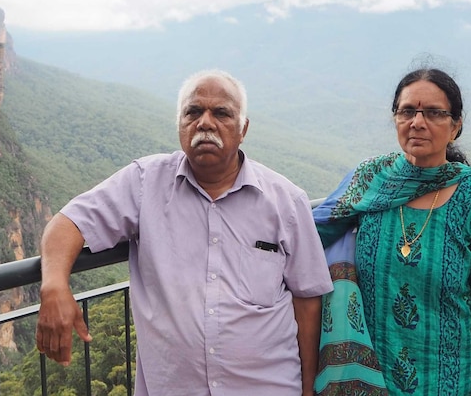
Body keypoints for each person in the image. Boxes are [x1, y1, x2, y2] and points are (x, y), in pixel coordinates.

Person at [35, 69, 334, 396]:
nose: (205, 122)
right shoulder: (144, 183)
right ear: (179, 124)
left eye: (221, 113)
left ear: (243, 128)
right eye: (193, 112)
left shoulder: (286, 202)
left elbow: (308, 301)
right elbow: (67, 224)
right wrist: (54, 285)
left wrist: (308, 389)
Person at [312, 67, 471, 396]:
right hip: (372, 381)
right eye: (407, 111)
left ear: (455, 126)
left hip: (451, 381)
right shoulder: (370, 180)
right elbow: (306, 238)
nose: (417, 122)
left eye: (434, 113)